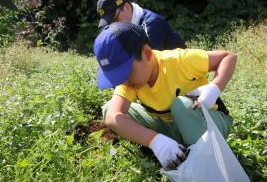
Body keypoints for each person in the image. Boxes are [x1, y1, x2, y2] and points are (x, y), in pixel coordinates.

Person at [93, 22, 236, 170]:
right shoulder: (130, 82)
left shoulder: (178, 61)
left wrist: (214, 88)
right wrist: (154, 141)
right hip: (172, 126)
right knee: (110, 108)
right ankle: (175, 148)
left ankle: (204, 159)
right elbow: (112, 117)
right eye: (117, 76)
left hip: (207, 124)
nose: (123, 81)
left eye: (126, 72)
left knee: (181, 106)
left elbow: (228, 57)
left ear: (147, 54)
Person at [96, 0, 186, 50]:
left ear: (127, 8)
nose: (113, 25)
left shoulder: (151, 24)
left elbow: (148, 65)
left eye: (115, 19)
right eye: (109, 22)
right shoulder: (127, 26)